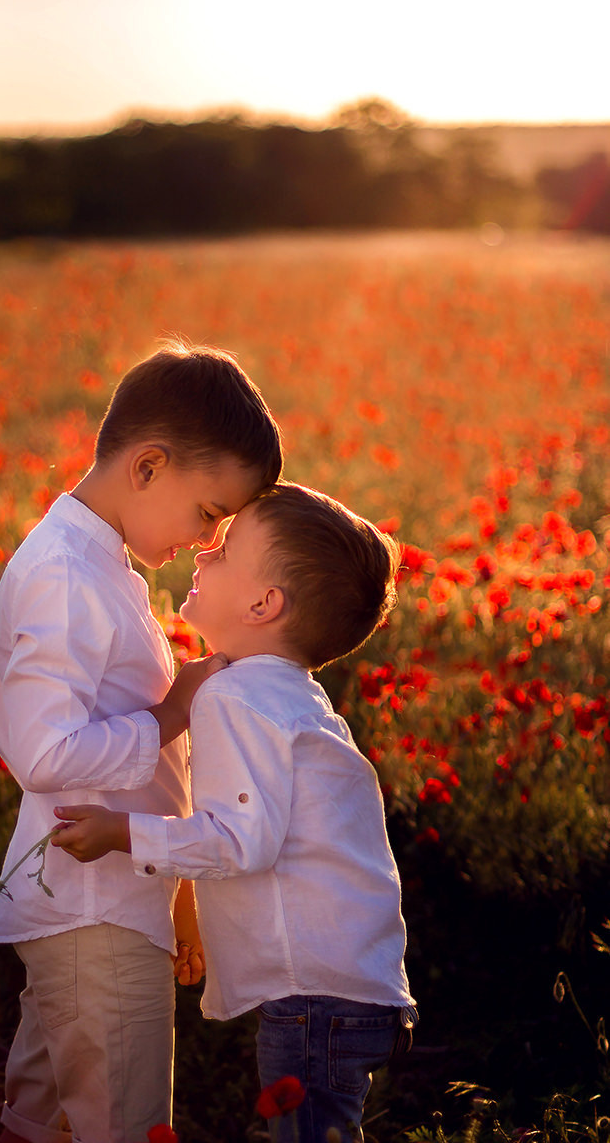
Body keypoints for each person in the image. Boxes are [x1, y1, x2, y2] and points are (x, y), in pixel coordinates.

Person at [0, 343, 283, 1143]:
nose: (207, 541)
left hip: (103, 904)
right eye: (210, 514)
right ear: (148, 466)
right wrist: (171, 712)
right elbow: (45, 752)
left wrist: (178, 897)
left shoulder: (99, 563)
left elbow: (138, 773)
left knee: (42, 1117)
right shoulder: (66, 575)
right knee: (126, 1126)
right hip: (94, 912)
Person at [52, 483, 417, 1143]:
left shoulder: (238, 699)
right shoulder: (293, 699)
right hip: (348, 990)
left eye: (222, 553)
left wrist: (119, 832)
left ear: (262, 603)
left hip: (315, 1000)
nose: (199, 556)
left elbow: (240, 841)